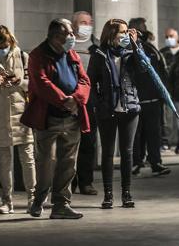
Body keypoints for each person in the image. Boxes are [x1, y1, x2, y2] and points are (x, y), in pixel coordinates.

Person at [22, 18, 91, 220]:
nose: (72, 37)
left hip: (72, 118)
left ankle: (61, 204)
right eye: (68, 33)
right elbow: (41, 82)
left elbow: (84, 80)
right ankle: (39, 199)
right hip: (48, 118)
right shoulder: (38, 55)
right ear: (55, 36)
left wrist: (76, 99)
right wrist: (64, 101)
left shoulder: (71, 54)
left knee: (68, 163)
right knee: (46, 162)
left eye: (72, 33)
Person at [87, 19, 142, 209]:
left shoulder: (130, 52)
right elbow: (90, 82)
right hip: (107, 109)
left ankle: (126, 193)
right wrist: (97, 104)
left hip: (130, 107)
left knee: (127, 153)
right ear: (111, 34)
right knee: (108, 153)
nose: (126, 35)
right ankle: (108, 194)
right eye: (122, 32)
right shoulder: (99, 54)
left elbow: (144, 68)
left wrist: (136, 47)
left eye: (127, 32)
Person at [0, 25, 36, 215]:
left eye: (4, 44)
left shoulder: (23, 56)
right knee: (4, 161)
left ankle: (33, 199)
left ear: (11, 42)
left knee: (28, 158)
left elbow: (33, 84)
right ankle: (7, 201)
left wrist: (19, 82)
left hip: (22, 114)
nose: (1, 48)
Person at [130, 18, 171, 177]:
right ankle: (136, 162)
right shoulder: (129, 49)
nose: (145, 29)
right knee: (136, 134)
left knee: (154, 133)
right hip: (137, 99)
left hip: (153, 99)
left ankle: (156, 162)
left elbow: (161, 72)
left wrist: (163, 93)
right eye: (142, 27)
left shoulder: (150, 49)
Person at [71, 11, 98, 196]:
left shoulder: (96, 47)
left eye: (89, 22)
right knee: (69, 144)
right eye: (82, 22)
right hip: (70, 100)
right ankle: (69, 182)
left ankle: (86, 181)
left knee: (88, 142)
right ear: (74, 25)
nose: (86, 25)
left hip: (90, 100)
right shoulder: (67, 45)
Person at [159, 27, 179, 151]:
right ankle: (165, 141)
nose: (169, 39)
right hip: (167, 89)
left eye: (171, 36)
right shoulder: (162, 53)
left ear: (177, 37)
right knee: (166, 118)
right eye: (166, 37)